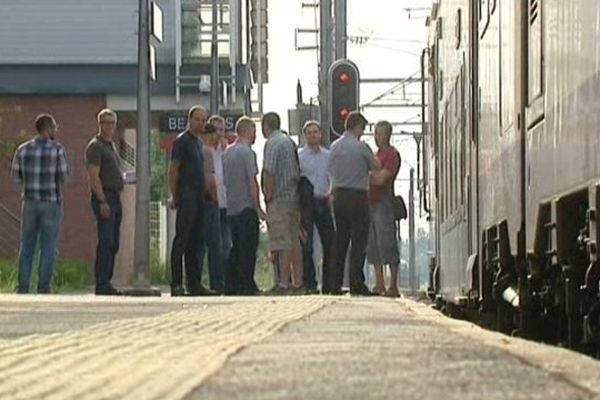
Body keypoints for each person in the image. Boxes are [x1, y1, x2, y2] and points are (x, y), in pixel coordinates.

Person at [10, 114, 69, 294]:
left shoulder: (22, 149)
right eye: (54, 127)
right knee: (48, 245)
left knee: (27, 245)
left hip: (29, 202)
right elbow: (64, 177)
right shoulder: (57, 149)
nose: (55, 130)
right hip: (50, 202)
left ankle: (23, 286)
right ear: (49, 128)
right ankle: (43, 286)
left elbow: (15, 177)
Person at [327, 111, 380, 295]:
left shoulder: (334, 147)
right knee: (358, 241)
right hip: (357, 197)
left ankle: (334, 284)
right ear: (357, 127)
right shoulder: (361, 147)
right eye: (362, 129)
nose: (362, 132)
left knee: (340, 240)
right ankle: (356, 283)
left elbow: (330, 169)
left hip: (339, 196)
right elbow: (376, 166)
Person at [168, 105, 215, 296]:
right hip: (186, 195)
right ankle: (177, 283)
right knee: (182, 240)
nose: (201, 123)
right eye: (198, 119)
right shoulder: (182, 141)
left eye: (204, 120)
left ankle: (194, 283)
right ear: (190, 120)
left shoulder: (198, 143)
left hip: (199, 197)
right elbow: (173, 170)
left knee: (196, 242)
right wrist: (175, 195)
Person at [261, 112, 304, 293]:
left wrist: (268, 196)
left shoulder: (273, 143)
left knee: (282, 241)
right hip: (293, 197)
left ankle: (283, 283)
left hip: (279, 199)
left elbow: (269, 171)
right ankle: (298, 282)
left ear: (265, 126)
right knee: (294, 241)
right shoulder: (289, 142)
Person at [222, 116, 265, 295]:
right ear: (248, 131)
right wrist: (258, 208)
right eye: (254, 132)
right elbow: (251, 182)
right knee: (248, 247)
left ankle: (231, 284)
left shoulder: (227, 153)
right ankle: (247, 283)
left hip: (231, 206)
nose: (255, 136)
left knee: (236, 246)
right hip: (246, 207)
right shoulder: (248, 153)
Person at [85, 109, 124, 295]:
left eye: (112, 123)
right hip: (104, 197)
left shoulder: (111, 146)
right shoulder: (95, 146)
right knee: (106, 241)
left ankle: (107, 280)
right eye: (105, 123)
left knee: (114, 242)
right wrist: (102, 201)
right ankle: (101, 283)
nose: (109, 127)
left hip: (116, 196)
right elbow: (94, 176)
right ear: (99, 124)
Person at [298, 120, 335, 294]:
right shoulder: (299, 156)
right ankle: (310, 283)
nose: (313, 135)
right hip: (306, 203)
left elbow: (333, 177)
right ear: (305, 135)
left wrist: (331, 193)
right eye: (309, 132)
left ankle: (329, 283)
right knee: (307, 244)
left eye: (316, 132)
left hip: (324, 200)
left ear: (321, 134)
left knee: (330, 242)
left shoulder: (328, 155)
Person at [368, 121, 402, 297]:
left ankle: (393, 285)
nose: (377, 137)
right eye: (375, 134)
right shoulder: (375, 155)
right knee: (373, 244)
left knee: (386, 241)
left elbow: (383, 178)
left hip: (383, 202)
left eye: (380, 134)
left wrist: (365, 177)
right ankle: (379, 283)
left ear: (388, 135)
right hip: (370, 202)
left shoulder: (391, 155)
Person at [198, 122, 225, 293]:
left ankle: (197, 280)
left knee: (206, 245)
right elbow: (210, 180)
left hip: (209, 202)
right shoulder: (205, 151)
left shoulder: (220, 151)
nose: (219, 136)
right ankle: (216, 282)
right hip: (209, 202)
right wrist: (215, 198)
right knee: (213, 244)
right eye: (216, 132)